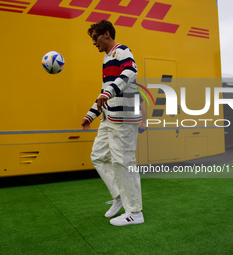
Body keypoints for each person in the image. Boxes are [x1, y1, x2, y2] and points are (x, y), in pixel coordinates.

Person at [81, 20, 144, 226]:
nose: (93, 42)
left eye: (95, 37)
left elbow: (130, 72)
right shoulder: (107, 59)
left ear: (106, 34)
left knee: (124, 162)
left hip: (124, 119)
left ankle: (134, 212)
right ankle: (119, 197)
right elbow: (105, 92)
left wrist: (108, 91)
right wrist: (91, 115)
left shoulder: (123, 51)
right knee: (98, 156)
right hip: (109, 118)